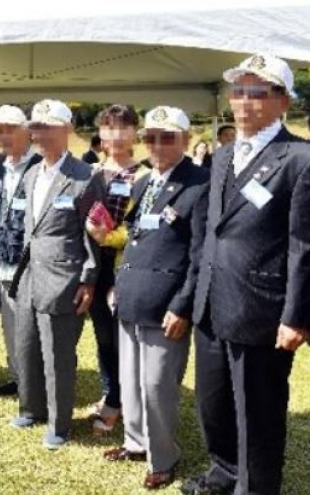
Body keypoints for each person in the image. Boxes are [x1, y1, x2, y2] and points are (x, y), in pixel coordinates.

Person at [186, 54, 310, 495]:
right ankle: (223, 473)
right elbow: (210, 233)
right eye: (237, 90)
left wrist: (296, 316)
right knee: (213, 403)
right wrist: (192, 298)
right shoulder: (221, 157)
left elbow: (304, 245)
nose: (242, 101)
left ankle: (255, 487)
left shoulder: (299, 158)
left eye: (257, 92)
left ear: (282, 102)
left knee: (257, 413)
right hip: (212, 303)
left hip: (261, 308)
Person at [103, 106, 209, 490]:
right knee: (130, 381)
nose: (158, 144)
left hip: (166, 305)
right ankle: (135, 442)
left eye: (167, 137)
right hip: (131, 297)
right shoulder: (145, 183)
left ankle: (163, 457)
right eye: (151, 137)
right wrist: (119, 282)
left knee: (158, 386)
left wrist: (183, 304)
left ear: (185, 138)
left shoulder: (200, 184)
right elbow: (135, 240)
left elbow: (200, 256)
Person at [10, 99, 104, 449]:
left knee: (57, 355)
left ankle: (59, 423)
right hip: (30, 274)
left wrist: (88, 280)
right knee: (26, 345)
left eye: (46, 127)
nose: (38, 133)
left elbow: (93, 235)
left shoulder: (86, 176)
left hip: (64, 279)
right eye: (35, 127)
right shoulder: (32, 171)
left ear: (66, 130)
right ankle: (30, 407)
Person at [83, 104, 149, 435]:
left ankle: (120, 401)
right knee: (103, 337)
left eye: (124, 127)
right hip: (92, 265)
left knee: (125, 338)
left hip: (126, 265)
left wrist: (108, 236)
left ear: (135, 132)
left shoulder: (145, 174)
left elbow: (145, 228)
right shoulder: (90, 171)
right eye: (109, 127)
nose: (116, 135)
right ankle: (112, 393)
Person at [0, 105, 41, 396]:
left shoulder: (39, 167)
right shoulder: (1, 168)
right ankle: (19, 377)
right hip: (4, 263)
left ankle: (35, 383)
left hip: (31, 267)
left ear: (27, 132)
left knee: (30, 330)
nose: (4, 137)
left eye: (11, 130)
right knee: (10, 326)